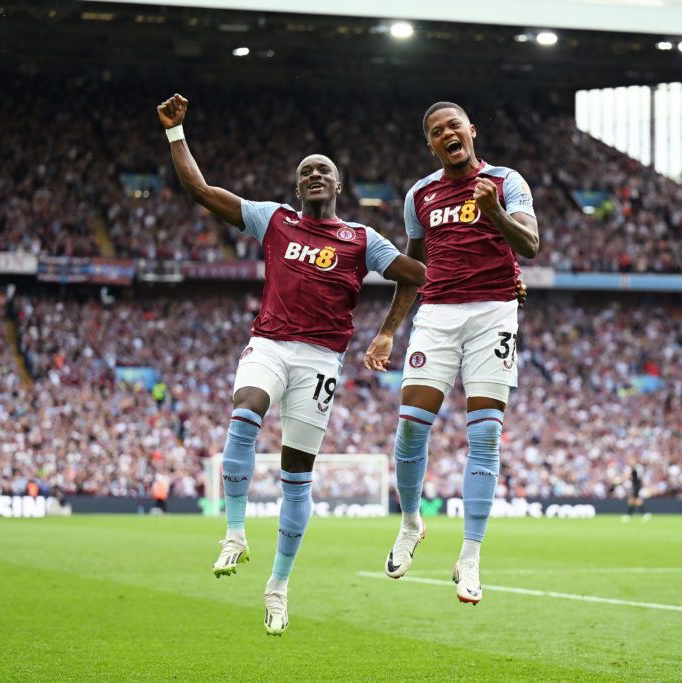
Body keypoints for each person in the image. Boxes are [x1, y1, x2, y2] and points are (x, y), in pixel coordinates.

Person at [156, 93, 426, 635]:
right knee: (244, 413)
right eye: (306, 172)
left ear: (338, 185)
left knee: (296, 477)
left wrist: (389, 331)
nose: (315, 175)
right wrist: (175, 134)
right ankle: (234, 533)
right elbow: (201, 191)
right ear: (297, 187)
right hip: (271, 345)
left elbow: (415, 275)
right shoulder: (273, 220)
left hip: (321, 361)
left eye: (324, 169)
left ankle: (278, 586)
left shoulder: (362, 239)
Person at [363, 101, 539, 605]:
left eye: (454, 126)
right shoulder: (419, 194)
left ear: (471, 131)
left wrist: (495, 213)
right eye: (437, 132)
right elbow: (414, 269)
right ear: (432, 144)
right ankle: (412, 523)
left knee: (484, 436)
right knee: (411, 425)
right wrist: (389, 330)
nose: (448, 134)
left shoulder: (506, 181)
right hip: (437, 316)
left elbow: (531, 244)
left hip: (493, 315)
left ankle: (470, 556)